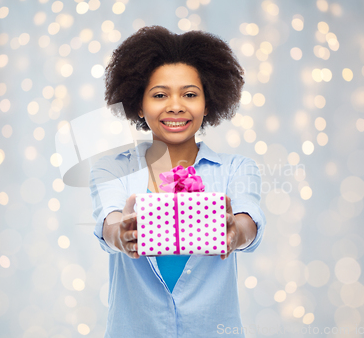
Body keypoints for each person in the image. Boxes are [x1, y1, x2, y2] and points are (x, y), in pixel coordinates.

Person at [89, 25, 266, 338]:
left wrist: (234, 233)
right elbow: (109, 223)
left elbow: (248, 221)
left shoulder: (238, 168)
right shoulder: (112, 169)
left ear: (208, 102)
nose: (175, 105)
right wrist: (123, 235)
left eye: (189, 94)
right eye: (159, 95)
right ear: (139, 105)